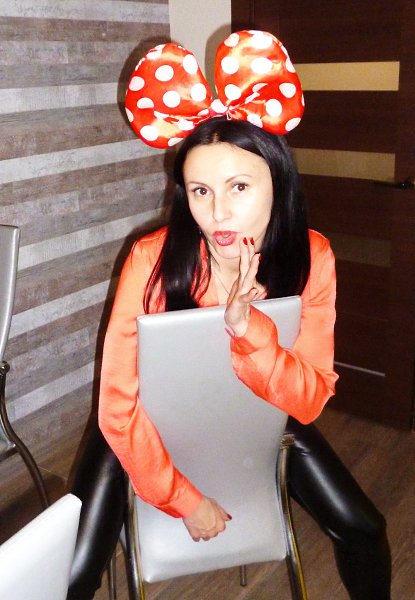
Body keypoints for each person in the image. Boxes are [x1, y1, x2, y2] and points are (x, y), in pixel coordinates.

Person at [67, 31, 391, 600]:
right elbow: (118, 406)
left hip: (259, 415)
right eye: (200, 191)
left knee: (364, 528)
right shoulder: (152, 259)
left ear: (277, 182)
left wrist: (248, 331)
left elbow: (309, 399)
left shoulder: (311, 256)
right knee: (74, 570)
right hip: (146, 422)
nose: (218, 212)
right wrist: (184, 500)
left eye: (239, 186)